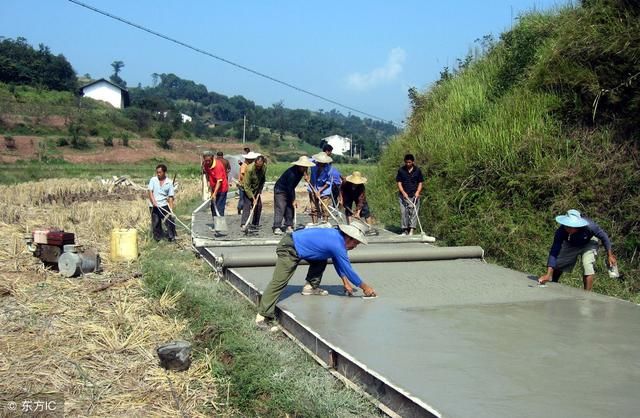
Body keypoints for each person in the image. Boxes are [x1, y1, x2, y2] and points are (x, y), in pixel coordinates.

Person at [255, 221, 378, 330]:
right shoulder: (337, 244)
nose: (355, 247)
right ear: (349, 238)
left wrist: (345, 282)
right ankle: (262, 315)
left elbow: (337, 261)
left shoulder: (337, 237)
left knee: (321, 259)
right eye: (355, 243)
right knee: (279, 281)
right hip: (289, 247)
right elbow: (348, 269)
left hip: (297, 245)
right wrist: (365, 287)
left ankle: (310, 287)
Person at [538, 209, 617, 290]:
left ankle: (586, 295)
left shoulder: (590, 226)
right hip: (571, 243)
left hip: (589, 243)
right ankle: (553, 283)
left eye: (572, 226)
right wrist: (548, 274)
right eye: (567, 226)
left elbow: (604, 237)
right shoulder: (561, 231)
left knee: (587, 265)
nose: (569, 229)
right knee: (559, 264)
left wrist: (609, 255)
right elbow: (554, 251)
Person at [273, 156, 315, 235]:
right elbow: (290, 188)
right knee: (281, 207)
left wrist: (306, 176)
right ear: (299, 165)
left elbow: (305, 173)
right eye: (304, 167)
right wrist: (293, 200)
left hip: (289, 189)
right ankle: (277, 227)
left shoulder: (302, 170)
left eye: (306, 167)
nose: (305, 168)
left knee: (290, 208)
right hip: (280, 190)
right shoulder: (292, 173)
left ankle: (289, 225)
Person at [396, 154, 424, 235]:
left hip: (414, 195)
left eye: (409, 162)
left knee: (414, 212)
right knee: (404, 212)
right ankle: (405, 229)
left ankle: (412, 229)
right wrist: (403, 192)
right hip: (403, 196)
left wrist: (418, 192)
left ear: (413, 162)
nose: (408, 164)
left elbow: (420, 182)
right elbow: (399, 182)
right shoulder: (401, 170)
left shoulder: (417, 170)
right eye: (406, 162)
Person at [148, 164, 176, 242]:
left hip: (164, 205)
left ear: (164, 172)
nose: (158, 174)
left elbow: (170, 197)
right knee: (156, 222)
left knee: (169, 220)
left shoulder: (169, 182)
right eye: (157, 172)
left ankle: (172, 236)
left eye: (160, 172)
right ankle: (158, 238)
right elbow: (150, 192)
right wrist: (153, 202)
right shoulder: (153, 180)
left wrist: (171, 210)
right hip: (154, 206)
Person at [241, 155, 267, 229]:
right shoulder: (249, 169)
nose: (258, 167)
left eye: (260, 166)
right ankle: (244, 223)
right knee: (247, 205)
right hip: (247, 190)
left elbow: (262, 179)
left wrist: (260, 189)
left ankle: (255, 223)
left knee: (258, 206)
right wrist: (253, 198)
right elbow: (246, 186)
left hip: (257, 189)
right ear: (255, 163)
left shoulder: (264, 167)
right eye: (257, 166)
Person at [308, 153, 333, 224]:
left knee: (325, 208)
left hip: (325, 190)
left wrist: (319, 191)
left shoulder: (329, 169)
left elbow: (328, 183)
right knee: (314, 208)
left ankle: (325, 224)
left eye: (322, 163)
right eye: (319, 162)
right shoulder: (313, 163)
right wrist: (306, 174)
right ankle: (314, 224)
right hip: (312, 187)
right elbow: (304, 162)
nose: (320, 164)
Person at [206, 152, 229, 219]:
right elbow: (207, 174)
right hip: (213, 187)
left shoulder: (218, 166)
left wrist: (214, 193)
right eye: (206, 160)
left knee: (219, 207)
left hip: (222, 189)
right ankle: (215, 222)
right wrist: (208, 184)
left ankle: (219, 225)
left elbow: (219, 181)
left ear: (212, 158)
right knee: (213, 206)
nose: (207, 162)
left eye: (208, 161)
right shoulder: (206, 164)